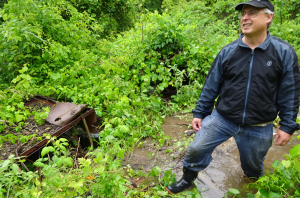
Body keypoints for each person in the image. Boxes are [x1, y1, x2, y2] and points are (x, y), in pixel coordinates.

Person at [166, 0, 300, 194]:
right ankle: (187, 179)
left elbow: (290, 91)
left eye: (252, 12)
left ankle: (250, 186)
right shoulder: (228, 52)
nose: (245, 18)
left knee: (253, 169)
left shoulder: (283, 52)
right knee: (197, 147)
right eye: (243, 14)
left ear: (269, 17)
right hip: (223, 118)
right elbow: (212, 85)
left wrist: (287, 126)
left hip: (259, 125)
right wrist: (200, 113)